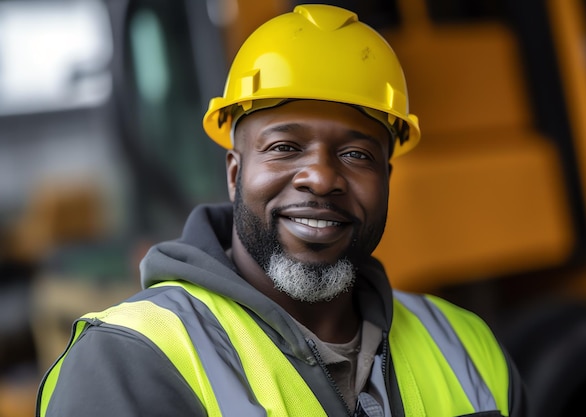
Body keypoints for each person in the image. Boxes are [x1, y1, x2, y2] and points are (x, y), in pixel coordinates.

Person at [36, 4, 527, 416]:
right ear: (234, 172)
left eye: (357, 155)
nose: (321, 177)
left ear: (387, 180)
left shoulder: (467, 347)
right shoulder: (130, 363)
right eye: (285, 146)